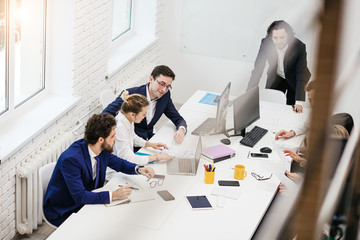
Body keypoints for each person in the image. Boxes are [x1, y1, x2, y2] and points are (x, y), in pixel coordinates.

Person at [43, 113, 155, 227]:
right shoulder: (71, 159)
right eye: (112, 136)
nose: (115, 139)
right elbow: (80, 196)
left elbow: (119, 163)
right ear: (101, 139)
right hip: (65, 210)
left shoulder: (100, 149)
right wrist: (113, 195)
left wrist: (139, 169)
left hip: (88, 199)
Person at [103, 65, 187, 144]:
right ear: (151, 79)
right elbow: (104, 115)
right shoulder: (131, 94)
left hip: (149, 139)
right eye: (162, 84)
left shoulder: (165, 96)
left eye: (168, 86)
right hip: (130, 143)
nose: (164, 89)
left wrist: (181, 129)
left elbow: (177, 118)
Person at [247, 20, 311, 113]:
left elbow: (300, 74)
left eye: (282, 38)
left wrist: (299, 102)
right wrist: (248, 95)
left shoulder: (299, 47)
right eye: (275, 38)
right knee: (271, 105)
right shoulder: (266, 43)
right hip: (277, 76)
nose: (279, 41)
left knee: (292, 109)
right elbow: (258, 70)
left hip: (295, 79)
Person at [113, 90, 174, 165]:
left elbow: (133, 137)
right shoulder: (119, 127)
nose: (145, 117)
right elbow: (127, 157)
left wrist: (150, 144)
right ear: (133, 114)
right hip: (116, 172)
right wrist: (156, 157)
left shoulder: (128, 118)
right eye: (143, 114)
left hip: (127, 162)